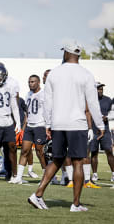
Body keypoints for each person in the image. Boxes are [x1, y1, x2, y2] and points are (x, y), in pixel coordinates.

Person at [28, 42, 105, 212]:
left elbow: (48, 101)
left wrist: (48, 123)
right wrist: (100, 125)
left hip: (58, 123)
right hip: (77, 124)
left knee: (56, 160)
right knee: (78, 162)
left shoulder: (54, 73)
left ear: (66, 54)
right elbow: (92, 103)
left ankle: (38, 194)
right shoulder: (86, 74)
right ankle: (75, 204)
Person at [13, 75, 47, 184]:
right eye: (29, 82)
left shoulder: (44, 94)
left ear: (38, 82)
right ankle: (18, 177)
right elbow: (27, 113)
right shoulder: (28, 94)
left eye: (33, 82)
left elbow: (48, 111)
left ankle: (46, 177)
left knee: (39, 152)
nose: (30, 84)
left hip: (40, 125)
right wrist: (23, 128)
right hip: (29, 127)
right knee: (24, 151)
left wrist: (48, 126)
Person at [90, 82, 114, 182]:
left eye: (101, 89)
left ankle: (113, 173)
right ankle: (95, 174)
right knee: (94, 153)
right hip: (94, 130)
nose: (100, 90)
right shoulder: (89, 100)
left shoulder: (108, 100)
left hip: (105, 129)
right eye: (98, 89)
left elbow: (112, 112)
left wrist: (107, 117)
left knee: (109, 151)